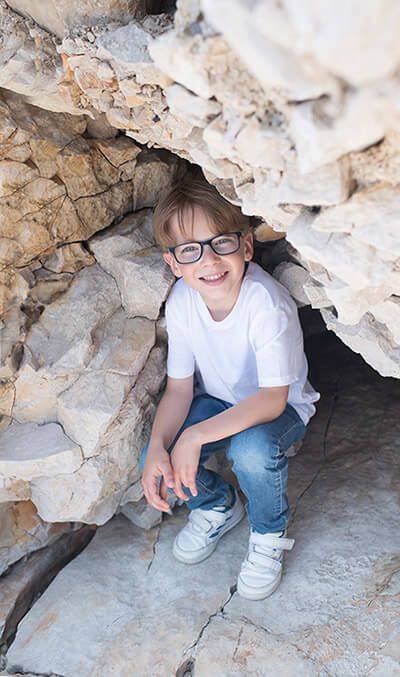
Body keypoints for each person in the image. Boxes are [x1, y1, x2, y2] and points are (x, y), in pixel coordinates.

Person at [139, 175, 320, 601]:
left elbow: (273, 399)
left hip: (281, 407)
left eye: (221, 242)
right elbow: (180, 390)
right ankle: (218, 506)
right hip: (220, 398)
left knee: (251, 451)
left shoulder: (265, 302)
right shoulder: (182, 301)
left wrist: (196, 434)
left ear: (246, 246)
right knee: (156, 453)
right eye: (190, 250)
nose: (209, 261)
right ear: (174, 264)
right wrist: (159, 448)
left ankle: (268, 533)